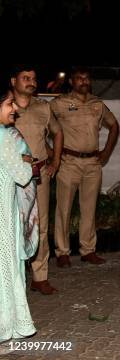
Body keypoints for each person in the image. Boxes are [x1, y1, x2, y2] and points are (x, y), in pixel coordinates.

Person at [50, 68, 120, 267]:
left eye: (87, 78)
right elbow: (45, 126)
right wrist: (51, 153)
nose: (84, 81)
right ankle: (62, 252)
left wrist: (106, 153)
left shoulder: (97, 103)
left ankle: (87, 250)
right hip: (69, 162)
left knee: (89, 208)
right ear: (72, 81)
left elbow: (114, 126)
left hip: (92, 164)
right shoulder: (59, 103)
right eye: (79, 78)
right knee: (63, 208)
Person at [11, 65, 63, 295]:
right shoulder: (4, 107)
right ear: (14, 81)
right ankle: (13, 277)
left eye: (33, 78)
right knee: (11, 226)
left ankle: (39, 276)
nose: (31, 82)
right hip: (10, 176)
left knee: (40, 226)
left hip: (39, 175)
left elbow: (57, 133)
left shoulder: (43, 107)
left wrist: (56, 162)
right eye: (25, 78)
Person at [0, 86, 37, 342]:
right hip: (3, 216)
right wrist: (28, 162)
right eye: (9, 104)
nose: (14, 109)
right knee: (6, 266)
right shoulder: (4, 138)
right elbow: (24, 175)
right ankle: (9, 325)